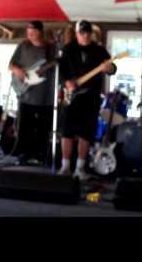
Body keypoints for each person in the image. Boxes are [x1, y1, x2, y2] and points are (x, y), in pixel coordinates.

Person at [58, 20, 117, 181]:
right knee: (67, 132)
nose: (85, 36)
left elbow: (113, 68)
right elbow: (61, 70)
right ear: (76, 33)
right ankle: (65, 167)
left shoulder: (99, 51)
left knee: (86, 132)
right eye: (82, 33)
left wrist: (109, 68)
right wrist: (66, 82)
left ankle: (80, 168)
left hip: (91, 96)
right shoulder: (68, 50)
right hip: (71, 96)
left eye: (88, 33)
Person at [9, 21, 55, 165]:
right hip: (25, 92)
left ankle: (41, 155)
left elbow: (57, 66)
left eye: (32, 30)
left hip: (45, 96)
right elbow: (11, 65)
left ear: (40, 32)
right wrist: (18, 71)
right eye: (28, 30)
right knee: (24, 127)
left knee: (43, 128)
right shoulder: (23, 46)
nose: (29, 33)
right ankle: (23, 154)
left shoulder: (50, 48)